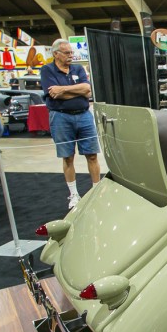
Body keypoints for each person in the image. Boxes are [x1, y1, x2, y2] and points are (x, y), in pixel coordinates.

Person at [41, 38, 101, 209]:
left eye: (71, 52)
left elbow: (87, 90)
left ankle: (97, 191)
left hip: (84, 115)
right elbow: (53, 94)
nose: (71, 56)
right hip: (60, 117)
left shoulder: (78, 68)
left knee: (92, 154)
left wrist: (63, 89)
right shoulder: (47, 70)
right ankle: (74, 194)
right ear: (56, 54)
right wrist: (77, 91)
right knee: (68, 157)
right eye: (67, 53)